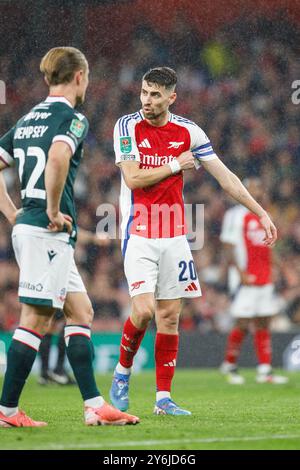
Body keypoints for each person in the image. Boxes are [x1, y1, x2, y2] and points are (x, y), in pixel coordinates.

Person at [110, 67, 277, 416]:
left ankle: (163, 399)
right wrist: (174, 166)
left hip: (174, 236)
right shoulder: (126, 126)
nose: (147, 101)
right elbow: (133, 177)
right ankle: (122, 372)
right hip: (139, 232)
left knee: (169, 318)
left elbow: (226, 179)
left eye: (155, 95)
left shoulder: (189, 131)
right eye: (144, 92)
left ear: (172, 97)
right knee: (142, 312)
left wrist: (260, 212)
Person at [0, 47, 139, 427]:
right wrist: (49, 209)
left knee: (81, 312)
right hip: (47, 231)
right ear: (79, 76)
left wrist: (13, 212)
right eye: (88, 77)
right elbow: (60, 157)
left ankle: (95, 406)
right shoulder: (72, 119)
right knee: (36, 319)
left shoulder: (28, 119)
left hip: (36, 230)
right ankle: (7, 410)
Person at [219, 177, 288, 384]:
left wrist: (279, 269)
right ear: (244, 189)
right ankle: (229, 365)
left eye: (259, 187)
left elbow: (268, 245)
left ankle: (265, 370)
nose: (257, 191)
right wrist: (239, 273)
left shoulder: (264, 215)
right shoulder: (235, 215)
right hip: (246, 278)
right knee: (242, 322)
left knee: (264, 320)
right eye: (253, 187)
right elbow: (228, 246)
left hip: (265, 276)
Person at [38, 230, 110, 386]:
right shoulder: (57, 216)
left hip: (49, 273)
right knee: (67, 321)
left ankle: (48, 372)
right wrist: (94, 238)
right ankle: (55, 371)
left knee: (54, 324)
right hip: (56, 275)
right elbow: (72, 230)